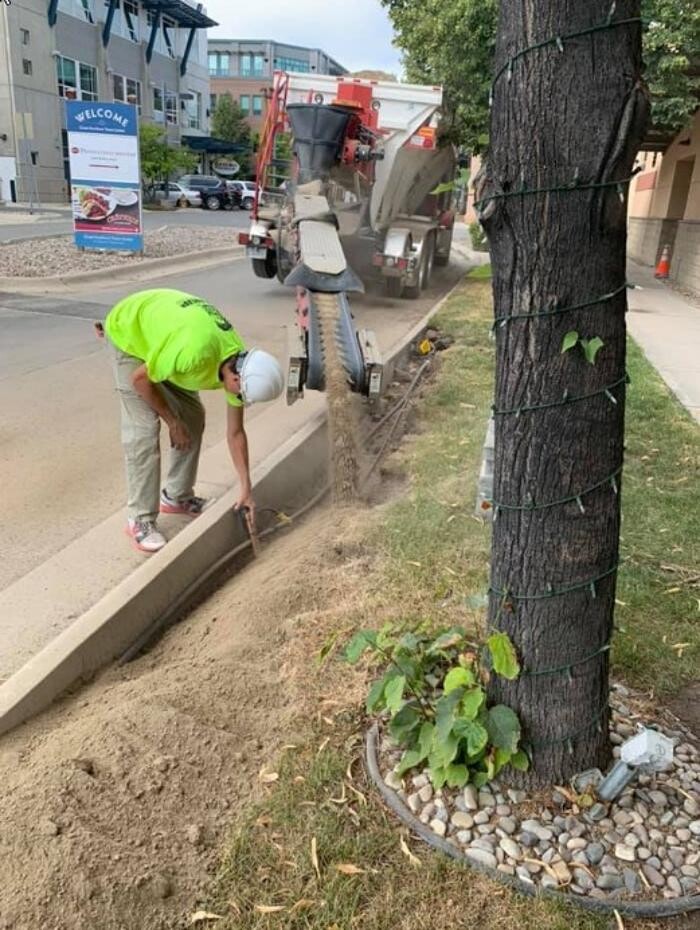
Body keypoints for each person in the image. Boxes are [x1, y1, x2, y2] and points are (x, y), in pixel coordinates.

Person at [101, 288, 284, 553]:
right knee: (144, 429)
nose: (241, 399)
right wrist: (172, 421)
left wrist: (246, 488)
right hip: (128, 331)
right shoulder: (194, 355)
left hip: (164, 339)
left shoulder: (239, 365)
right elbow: (140, 380)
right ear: (235, 379)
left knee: (193, 418)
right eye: (242, 394)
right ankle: (139, 520)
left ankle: (176, 497)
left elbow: (236, 433)